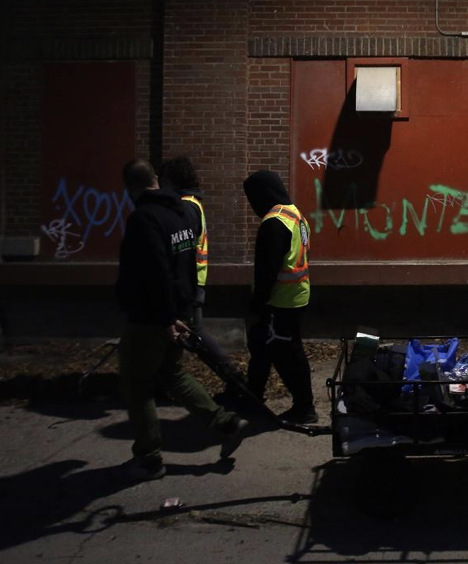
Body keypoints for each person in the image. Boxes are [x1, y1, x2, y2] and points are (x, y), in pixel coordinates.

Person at [115, 159, 245, 481]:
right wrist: (182, 311)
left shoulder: (144, 219)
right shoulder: (183, 214)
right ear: (156, 180)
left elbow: (156, 272)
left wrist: (166, 318)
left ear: (131, 188)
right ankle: (225, 422)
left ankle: (148, 459)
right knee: (171, 374)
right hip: (177, 311)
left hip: (152, 317)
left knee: (137, 385)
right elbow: (186, 265)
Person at [160, 157, 250, 398]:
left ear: (172, 180)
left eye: (164, 180)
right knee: (190, 335)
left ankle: (235, 380)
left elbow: (183, 249)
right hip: (192, 282)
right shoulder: (192, 204)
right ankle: (233, 380)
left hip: (189, 283)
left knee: (195, 335)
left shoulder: (186, 207)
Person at [242, 170, 317, 424]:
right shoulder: (295, 214)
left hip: (279, 302)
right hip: (297, 295)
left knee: (287, 355)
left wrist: (256, 304)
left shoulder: (273, 223)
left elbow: (266, 272)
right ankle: (253, 397)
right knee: (263, 348)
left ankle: (304, 407)